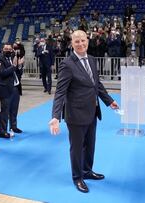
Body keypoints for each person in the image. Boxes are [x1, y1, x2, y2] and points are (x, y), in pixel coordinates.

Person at [49, 30, 119, 193]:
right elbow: (60, 92)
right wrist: (55, 116)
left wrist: (109, 101)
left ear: (87, 40)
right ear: (71, 44)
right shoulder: (67, 64)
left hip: (92, 112)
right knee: (77, 148)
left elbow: (96, 84)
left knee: (90, 146)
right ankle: (77, 177)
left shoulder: (93, 60)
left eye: (83, 40)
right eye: (76, 41)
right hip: (75, 114)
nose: (80, 44)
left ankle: (87, 171)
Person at [0, 43, 24, 138]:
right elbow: (2, 73)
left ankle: (13, 127)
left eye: (9, 49)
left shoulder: (12, 58)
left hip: (15, 87)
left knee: (14, 109)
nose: (8, 50)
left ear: (12, 50)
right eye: (5, 48)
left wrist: (19, 66)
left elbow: (17, 73)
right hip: (5, 89)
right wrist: (14, 66)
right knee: (5, 111)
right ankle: (2, 131)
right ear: (2, 49)